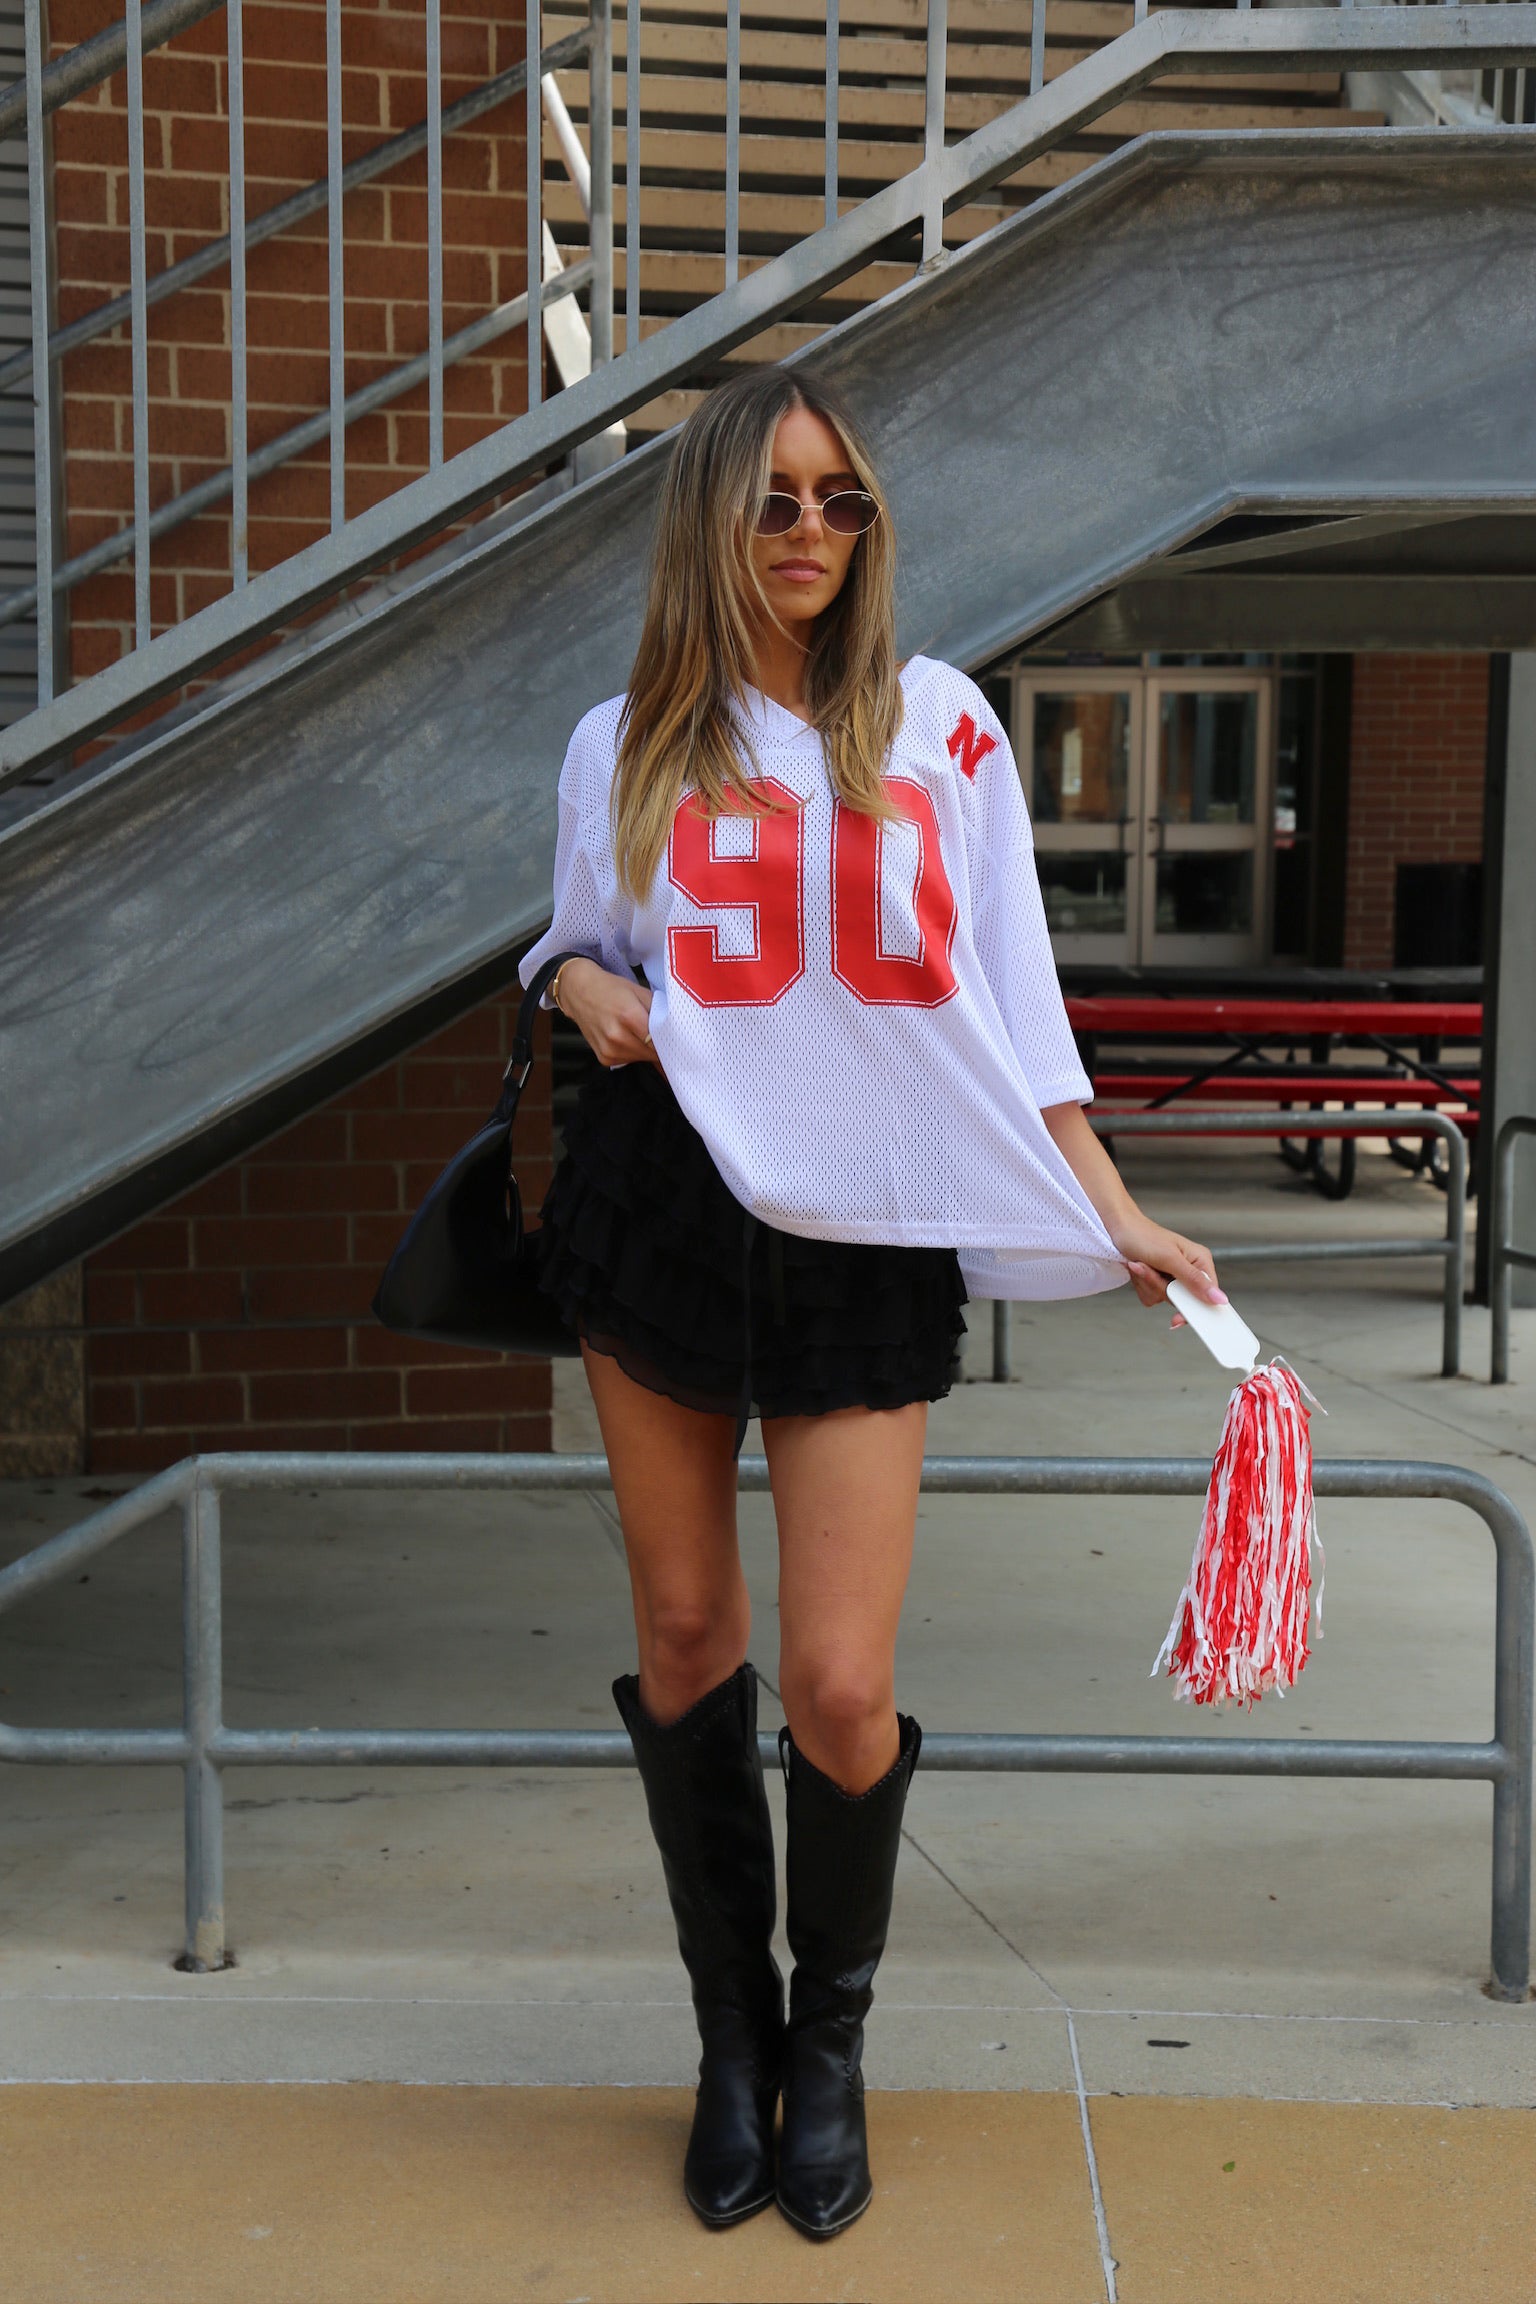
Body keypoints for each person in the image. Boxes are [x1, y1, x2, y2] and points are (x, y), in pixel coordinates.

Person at [520, 366, 1223, 2242]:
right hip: (665, 1207)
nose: (815, 534)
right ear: (711, 527)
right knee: (686, 1638)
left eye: (843, 502)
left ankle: (827, 2048)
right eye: (775, 503)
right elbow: (582, 947)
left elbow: (1011, 1010)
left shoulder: (944, 729)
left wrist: (1115, 1208)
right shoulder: (623, 741)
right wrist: (577, 991)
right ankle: (728, 2038)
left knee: (838, 1686)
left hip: (869, 1224)